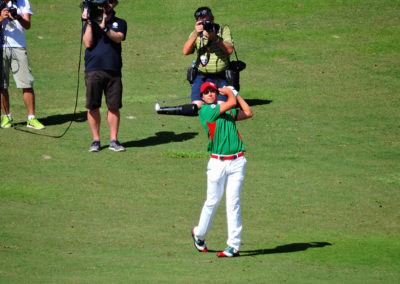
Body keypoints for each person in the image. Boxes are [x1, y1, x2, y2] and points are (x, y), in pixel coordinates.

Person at [191, 82, 253, 257]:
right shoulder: (205, 112)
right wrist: (231, 94)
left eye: (212, 91)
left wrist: (236, 93)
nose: (210, 94)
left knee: (233, 204)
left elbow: (248, 112)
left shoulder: (225, 110)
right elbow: (231, 103)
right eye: (206, 92)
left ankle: (233, 246)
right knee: (212, 201)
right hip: (217, 163)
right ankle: (199, 234)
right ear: (202, 97)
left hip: (237, 161)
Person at [82, 0, 127, 152]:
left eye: (111, 1)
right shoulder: (91, 23)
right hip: (93, 69)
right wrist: (89, 22)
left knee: (113, 106)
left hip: (113, 70)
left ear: (115, 4)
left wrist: (105, 27)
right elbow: (88, 43)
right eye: (105, 1)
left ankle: (114, 140)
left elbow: (118, 37)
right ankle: (96, 140)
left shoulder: (120, 22)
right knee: (93, 106)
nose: (108, 4)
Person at [0, 0, 44, 130]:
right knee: (2, 85)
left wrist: (18, 17)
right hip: (1, 47)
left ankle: (31, 118)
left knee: (27, 83)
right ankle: (6, 117)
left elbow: (27, 25)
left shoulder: (23, 2)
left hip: (19, 46)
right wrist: (1, 18)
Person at [183, 6, 234, 110]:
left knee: (220, 107)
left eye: (206, 22)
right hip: (202, 76)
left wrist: (215, 38)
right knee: (197, 106)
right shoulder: (195, 34)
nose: (204, 25)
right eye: (201, 22)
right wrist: (195, 34)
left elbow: (230, 50)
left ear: (212, 19)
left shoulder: (223, 30)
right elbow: (185, 51)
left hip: (221, 76)